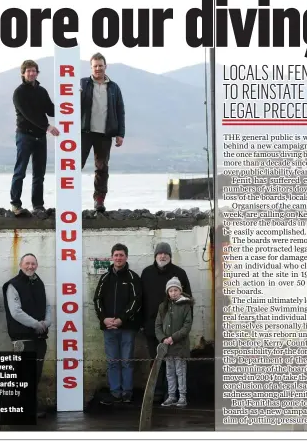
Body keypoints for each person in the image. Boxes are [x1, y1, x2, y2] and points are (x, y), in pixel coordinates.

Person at [140, 242, 192, 403]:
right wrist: (143, 323)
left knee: (176, 365)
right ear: (155, 256)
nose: (162, 256)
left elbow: (188, 301)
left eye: (165, 254)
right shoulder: (147, 273)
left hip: (175, 331)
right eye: (159, 253)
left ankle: (176, 395)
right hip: (152, 328)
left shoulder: (180, 273)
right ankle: (158, 391)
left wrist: (184, 329)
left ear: (170, 256)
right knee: (156, 361)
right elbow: (141, 299)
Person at [2, 253, 52, 419]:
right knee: (21, 376)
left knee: (35, 375)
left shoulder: (39, 283)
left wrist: (47, 322)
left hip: (39, 339)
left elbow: (48, 305)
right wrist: (36, 324)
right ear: (21, 265)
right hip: (22, 339)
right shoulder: (13, 285)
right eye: (27, 264)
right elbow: (15, 312)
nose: (30, 266)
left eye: (33, 264)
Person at [10, 60, 60, 215]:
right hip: (24, 135)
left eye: (34, 71)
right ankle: (15, 204)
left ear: (37, 73)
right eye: (28, 71)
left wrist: (71, 103)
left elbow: (51, 110)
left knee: (39, 173)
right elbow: (28, 115)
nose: (31, 73)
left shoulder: (42, 91)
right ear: (23, 73)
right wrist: (48, 127)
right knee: (20, 171)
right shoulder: (18, 93)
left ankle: (38, 205)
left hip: (40, 137)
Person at [93, 243, 142, 403]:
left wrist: (122, 319)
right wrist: (104, 318)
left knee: (127, 361)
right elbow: (97, 300)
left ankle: (127, 392)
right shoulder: (105, 278)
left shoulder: (133, 278)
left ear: (126, 257)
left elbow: (136, 301)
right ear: (112, 257)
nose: (119, 258)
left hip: (127, 328)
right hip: (108, 328)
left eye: (121, 255)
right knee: (112, 361)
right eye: (116, 255)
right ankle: (115, 392)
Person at [80, 53, 126, 212]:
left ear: (105, 66)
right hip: (84, 132)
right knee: (75, 165)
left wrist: (121, 133)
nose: (98, 68)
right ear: (91, 67)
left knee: (102, 168)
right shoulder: (82, 84)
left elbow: (120, 111)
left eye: (100, 65)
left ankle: (99, 201)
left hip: (105, 134)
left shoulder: (114, 87)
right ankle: (69, 197)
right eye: (95, 66)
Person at [156, 277, 194, 407]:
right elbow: (158, 326)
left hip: (180, 346)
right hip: (167, 346)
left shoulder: (186, 306)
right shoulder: (163, 307)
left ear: (180, 291)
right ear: (168, 292)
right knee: (169, 372)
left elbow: (187, 326)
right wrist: (163, 338)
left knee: (180, 372)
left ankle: (182, 396)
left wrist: (173, 338)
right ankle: (171, 396)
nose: (173, 293)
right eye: (171, 290)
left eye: (176, 290)